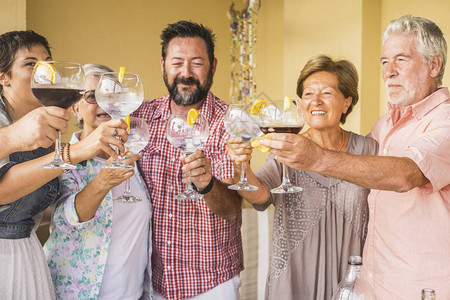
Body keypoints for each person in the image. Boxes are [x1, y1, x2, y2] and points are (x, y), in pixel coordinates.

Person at [258, 16, 450, 299]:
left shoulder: (444, 120)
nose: (389, 72)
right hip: (370, 287)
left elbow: (405, 174)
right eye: (384, 62)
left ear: (434, 65)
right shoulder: (385, 126)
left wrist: (315, 158)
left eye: (401, 59)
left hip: (421, 287)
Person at [227, 55, 378, 300]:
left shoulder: (369, 150)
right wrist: (239, 165)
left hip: (351, 283)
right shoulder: (287, 148)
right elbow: (261, 195)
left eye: (327, 93)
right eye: (308, 94)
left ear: (347, 102)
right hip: (294, 282)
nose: (315, 101)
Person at [0, 31, 127, 299]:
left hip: (27, 253)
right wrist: (78, 152)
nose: (43, 71)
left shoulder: (44, 126)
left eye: (48, 63)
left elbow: (41, 203)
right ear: (3, 76)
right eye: (31, 64)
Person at [132, 20, 243, 300]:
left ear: (213, 66)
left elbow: (232, 209)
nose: (186, 73)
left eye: (196, 63)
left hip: (210, 283)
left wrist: (207, 184)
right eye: (177, 62)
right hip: (151, 279)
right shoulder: (142, 116)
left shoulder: (230, 123)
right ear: (163, 65)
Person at [43, 64, 152, 299]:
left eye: (112, 95)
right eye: (93, 96)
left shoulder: (135, 153)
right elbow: (63, 219)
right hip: (74, 294)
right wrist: (103, 181)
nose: (104, 104)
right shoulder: (63, 157)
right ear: (76, 108)